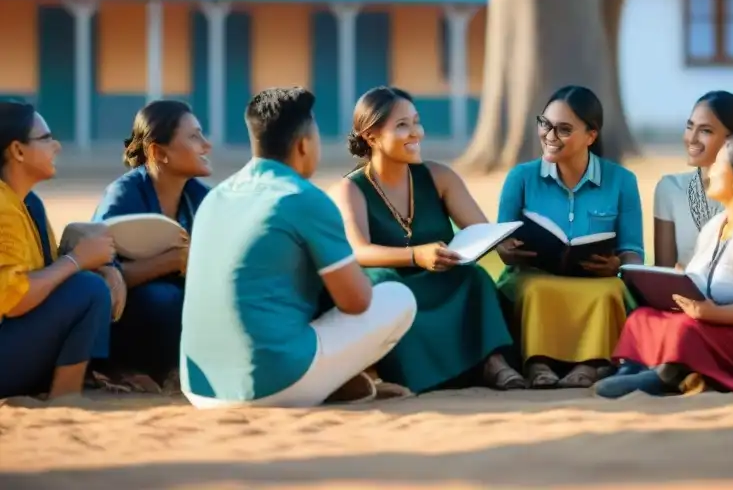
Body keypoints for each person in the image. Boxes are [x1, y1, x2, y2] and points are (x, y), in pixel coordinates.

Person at [180, 87, 416, 408]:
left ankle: (332, 380)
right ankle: (327, 380)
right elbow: (357, 302)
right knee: (397, 297)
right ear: (304, 145)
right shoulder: (304, 197)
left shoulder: (215, 198)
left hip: (198, 389)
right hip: (271, 386)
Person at [332, 86, 522, 393]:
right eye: (402, 125)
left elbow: (482, 231)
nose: (416, 133)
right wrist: (415, 256)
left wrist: (507, 245)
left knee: (474, 278)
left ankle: (493, 364)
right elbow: (359, 250)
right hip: (395, 280)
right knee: (384, 286)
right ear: (371, 136)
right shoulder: (351, 189)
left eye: (416, 122)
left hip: (441, 278)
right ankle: (409, 375)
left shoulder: (439, 176)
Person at [597, 135, 733, 398]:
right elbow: (698, 282)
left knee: (685, 329)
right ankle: (635, 368)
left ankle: (667, 376)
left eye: (719, 163)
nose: (711, 169)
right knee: (644, 317)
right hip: (721, 321)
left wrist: (709, 314)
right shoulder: (716, 225)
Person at [497, 85, 644, 389]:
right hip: (534, 274)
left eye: (563, 129)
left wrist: (617, 263)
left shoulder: (622, 181)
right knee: (535, 288)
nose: (550, 136)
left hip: (596, 280)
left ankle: (591, 365)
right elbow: (501, 239)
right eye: (545, 124)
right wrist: (507, 250)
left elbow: (633, 252)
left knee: (608, 293)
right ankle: (538, 363)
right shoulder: (520, 178)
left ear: (591, 135)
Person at [0, 100, 118, 400]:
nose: (57, 147)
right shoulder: (3, 208)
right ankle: (66, 396)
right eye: (46, 138)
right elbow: (15, 299)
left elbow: (49, 272)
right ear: (17, 151)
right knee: (88, 290)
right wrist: (78, 259)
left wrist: (103, 267)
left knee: (94, 283)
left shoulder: (29, 203)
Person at [92, 100, 212, 387]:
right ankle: (122, 370)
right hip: (125, 320)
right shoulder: (124, 196)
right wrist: (172, 261)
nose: (206, 145)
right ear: (158, 152)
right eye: (194, 136)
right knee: (163, 299)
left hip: (174, 317)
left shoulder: (202, 198)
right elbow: (100, 278)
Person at [653, 91, 733, 269]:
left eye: (705, 131)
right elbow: (664, 272)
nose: (692, 139)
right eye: (689, 127)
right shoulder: (670, 189)